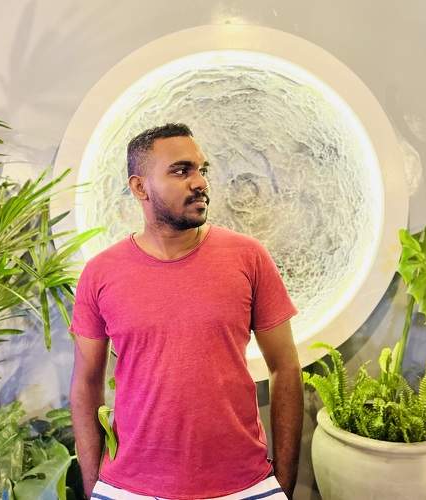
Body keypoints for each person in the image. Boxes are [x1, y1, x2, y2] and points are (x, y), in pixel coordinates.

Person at [69, 123, 303, 500]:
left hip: (245, 484)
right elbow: (85, 383)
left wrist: (284, 484)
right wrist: (93, 485)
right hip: (128, 487)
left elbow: (285, 367)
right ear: (140, 187)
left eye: (201, 169)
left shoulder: (248, 257)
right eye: (181, 171)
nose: (200, 182)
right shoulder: (100, 273)